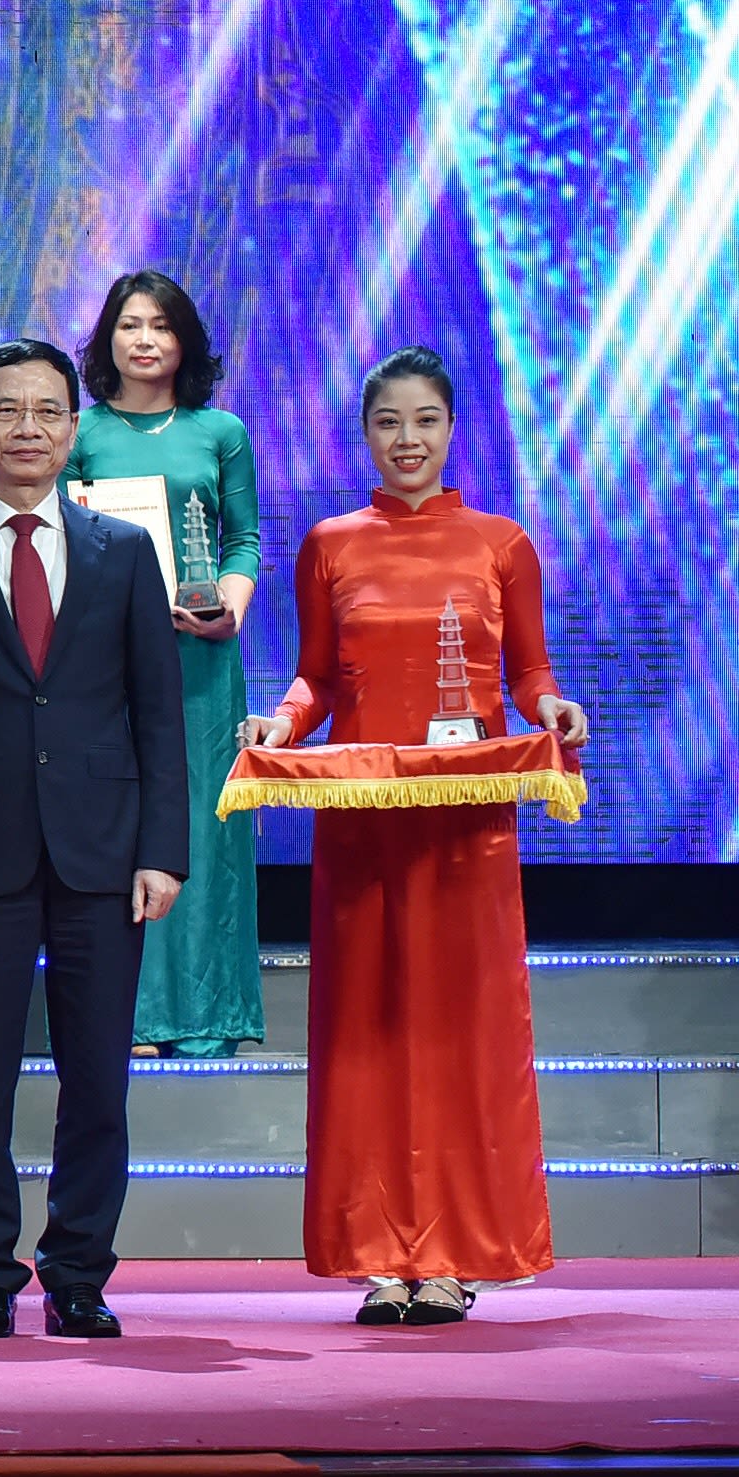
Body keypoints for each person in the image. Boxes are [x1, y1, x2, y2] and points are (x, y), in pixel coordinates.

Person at [244, 346, 586, 1326]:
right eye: (388, 422)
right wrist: (282, 723)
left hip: (465, 831)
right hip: (364, 829)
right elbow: (316, 679)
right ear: (365, 433)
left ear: (451, 430)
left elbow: (527, 673)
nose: (407, 440)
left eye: (425, 421)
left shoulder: (501, 543)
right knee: (369, 1033)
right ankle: (382, 1257)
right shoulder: (330, 544)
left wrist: (551, 706)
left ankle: (453, 1255)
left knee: (460, 1033)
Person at [0, 336, 186, 1340]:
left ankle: (80, 1275)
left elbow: (158, 715)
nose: (27, 428)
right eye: (6, 410)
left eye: (47, 411)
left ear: (72, 427)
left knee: (98, 1077)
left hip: (104, 849)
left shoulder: (123, 551)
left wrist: (163, 848)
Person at [64, 271, 266, 1057]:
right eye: (130, 324)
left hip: (200, 658)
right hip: (102, 662)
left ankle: (207, 1016)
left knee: (203, 829)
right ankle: (131, 1017)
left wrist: (229, 612)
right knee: (115, 827)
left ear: (186, 341)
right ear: (107, 339)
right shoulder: (80, 433)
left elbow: (242, 538)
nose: (145, 339)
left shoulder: (221, 431)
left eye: (161, 325)